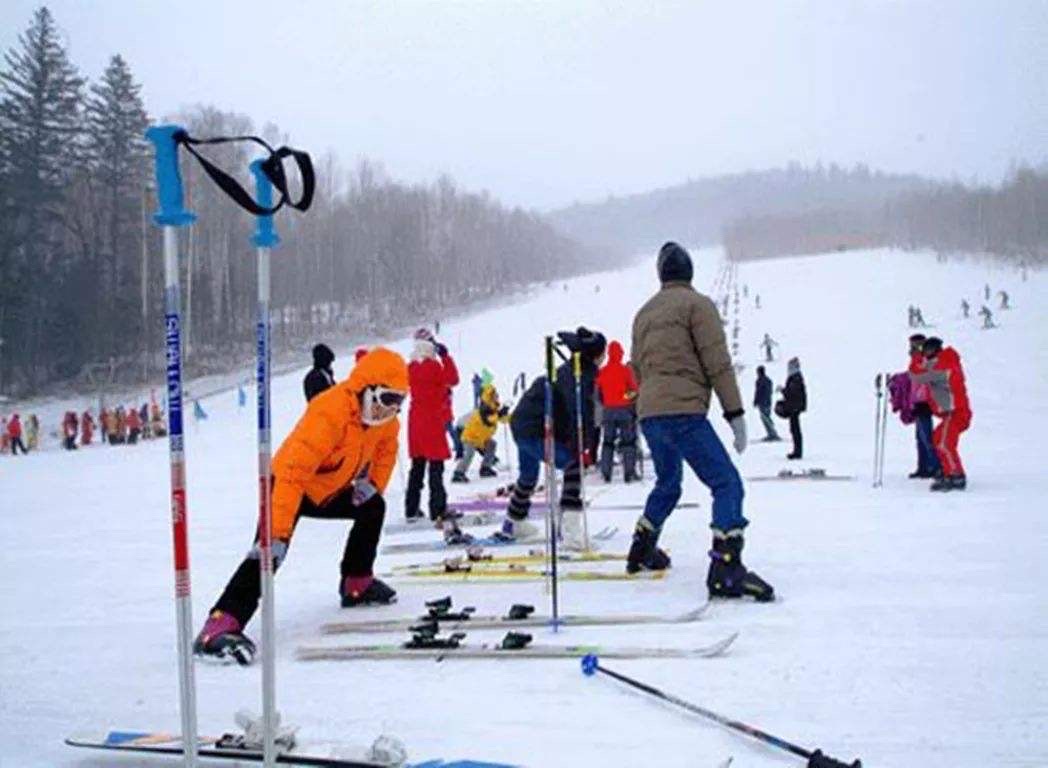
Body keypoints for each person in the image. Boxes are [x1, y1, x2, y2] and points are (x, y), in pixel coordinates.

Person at [194, 347, 408, 665]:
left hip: (327, 488)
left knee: (372, 507)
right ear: (367, 388)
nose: (389, 410)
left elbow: (387, 451)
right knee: (267, 552)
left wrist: (372, 484)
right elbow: (293, 472)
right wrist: (277, 533)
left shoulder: (385, 422)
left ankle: (357, 582)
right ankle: (220, 625)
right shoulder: (330, 411)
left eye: (398, 402)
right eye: (386, 399)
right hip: (287, 484)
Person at [629, 242, 773, 601]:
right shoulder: (698, 305)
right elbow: (718, 363)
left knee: (668, 483)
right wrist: (735, 413)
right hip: (683, 413)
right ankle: (726, 568)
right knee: (726, 483)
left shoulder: (644, 313)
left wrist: (648, 404)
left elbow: (636, 367)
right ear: (689, 272)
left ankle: (643, 547)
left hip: (650, 414)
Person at [493, 326, 605, 546]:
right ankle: (569, 530)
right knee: (574, 466)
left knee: (528, 477)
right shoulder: (578, 375)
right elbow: (577, 410)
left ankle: (513, 523)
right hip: (535, 428)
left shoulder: (571, 369)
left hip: (523, 424)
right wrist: (581, 445)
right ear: (596, 355)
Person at [405, 328, 459, 522]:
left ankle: (411, 508)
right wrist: (446, 357)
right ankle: (438, 508)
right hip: (432, 420)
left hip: (415, 420)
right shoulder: (434, 366)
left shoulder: (410, 366)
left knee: (417, 466)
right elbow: (452, 380)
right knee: (436, 467)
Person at [911, 337, 971, 491]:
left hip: (956, 412)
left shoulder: (946, 364)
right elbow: (917, 372)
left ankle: (956, 475)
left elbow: (918, 375)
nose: (926, 354)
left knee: (944, 443)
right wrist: (916, 356)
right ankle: (949, 472)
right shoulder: (939, 363)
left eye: (927, 350)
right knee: (939, 439)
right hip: (950, 414)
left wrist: (917, 357)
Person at [596, 340, 639, 482]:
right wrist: (625, 398)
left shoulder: (602, 372)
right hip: (625, 412)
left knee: (608, 442)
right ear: (620, 354)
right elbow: (634, 391)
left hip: (608, 412)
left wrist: (607, 402)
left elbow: (598, 393)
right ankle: (629, 472)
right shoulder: (625, 371)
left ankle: (606, 472)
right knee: (628, 442)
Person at [451, 384, 509, 482]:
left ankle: (485, 468)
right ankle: (458, 473)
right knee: (469, 454)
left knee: (492, 444)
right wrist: (499, 414)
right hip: (471, 436)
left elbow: (501, 419)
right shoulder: (484, 408)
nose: (496, 396)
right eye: (494, 394)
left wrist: (506, 414)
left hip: (481, 437)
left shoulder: (494, 406)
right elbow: (489, 419)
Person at [906, 335, 941, 479]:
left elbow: (921, 374)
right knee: (920, 437)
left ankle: (935, 466)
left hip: (925, 402)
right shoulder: (916, 359)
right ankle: (923, 466)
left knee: (926, 437)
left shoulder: (925, 359)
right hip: (918, 401)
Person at [778, 357, 807, 460]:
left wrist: (783, 391)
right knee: (794, 429)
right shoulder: (796, 378)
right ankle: (796, 451)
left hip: (794, 407)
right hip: (794, 407)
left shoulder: (795, 378)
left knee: (795, 430)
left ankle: (797, 452)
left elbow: (792, 393)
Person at [753, 366, 780, 441]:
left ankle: (772, 433)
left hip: (762, 403)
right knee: (767, 417)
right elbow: (770, 392)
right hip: (768, 402)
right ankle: (771, 433)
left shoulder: (759, 381)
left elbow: (758, 392)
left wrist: (756, 401)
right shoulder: (769, 380)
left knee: (765, 418)